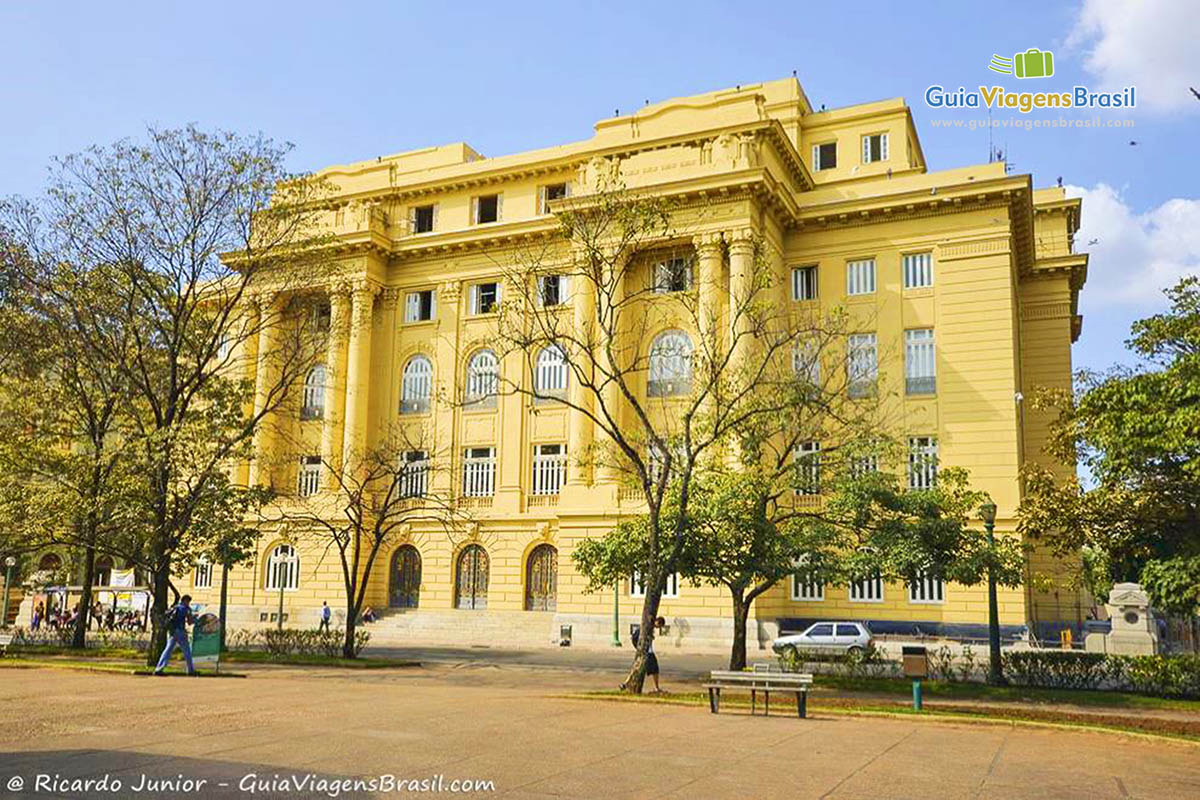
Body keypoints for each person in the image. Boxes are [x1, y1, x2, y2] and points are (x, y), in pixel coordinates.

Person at [153, 595, 196, 676]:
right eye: (188, 601)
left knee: (167, 650)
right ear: (185, 601)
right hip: (181, 632)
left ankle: (159, 669)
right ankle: (190, 670)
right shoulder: (185, 609)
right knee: (187, 651)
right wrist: (195, 619)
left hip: (172, 632)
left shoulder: (175, 607)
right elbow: (190, 621)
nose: (189, 603)